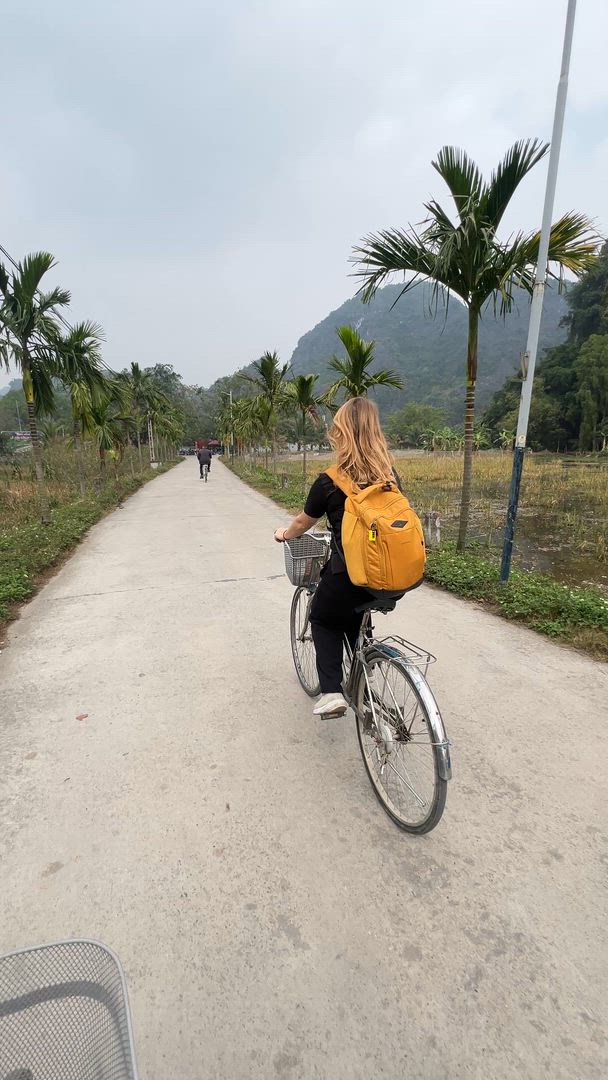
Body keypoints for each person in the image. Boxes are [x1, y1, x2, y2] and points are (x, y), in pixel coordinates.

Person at [274, 397, 402, 717]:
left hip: (351, 575)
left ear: (341, 433)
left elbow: (304, 522)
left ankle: (332, 692)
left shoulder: (330, 480)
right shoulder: (390, 475)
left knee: (321, 616)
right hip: (392, 576)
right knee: (352, 609)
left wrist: (285, 534)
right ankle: (365, 664)